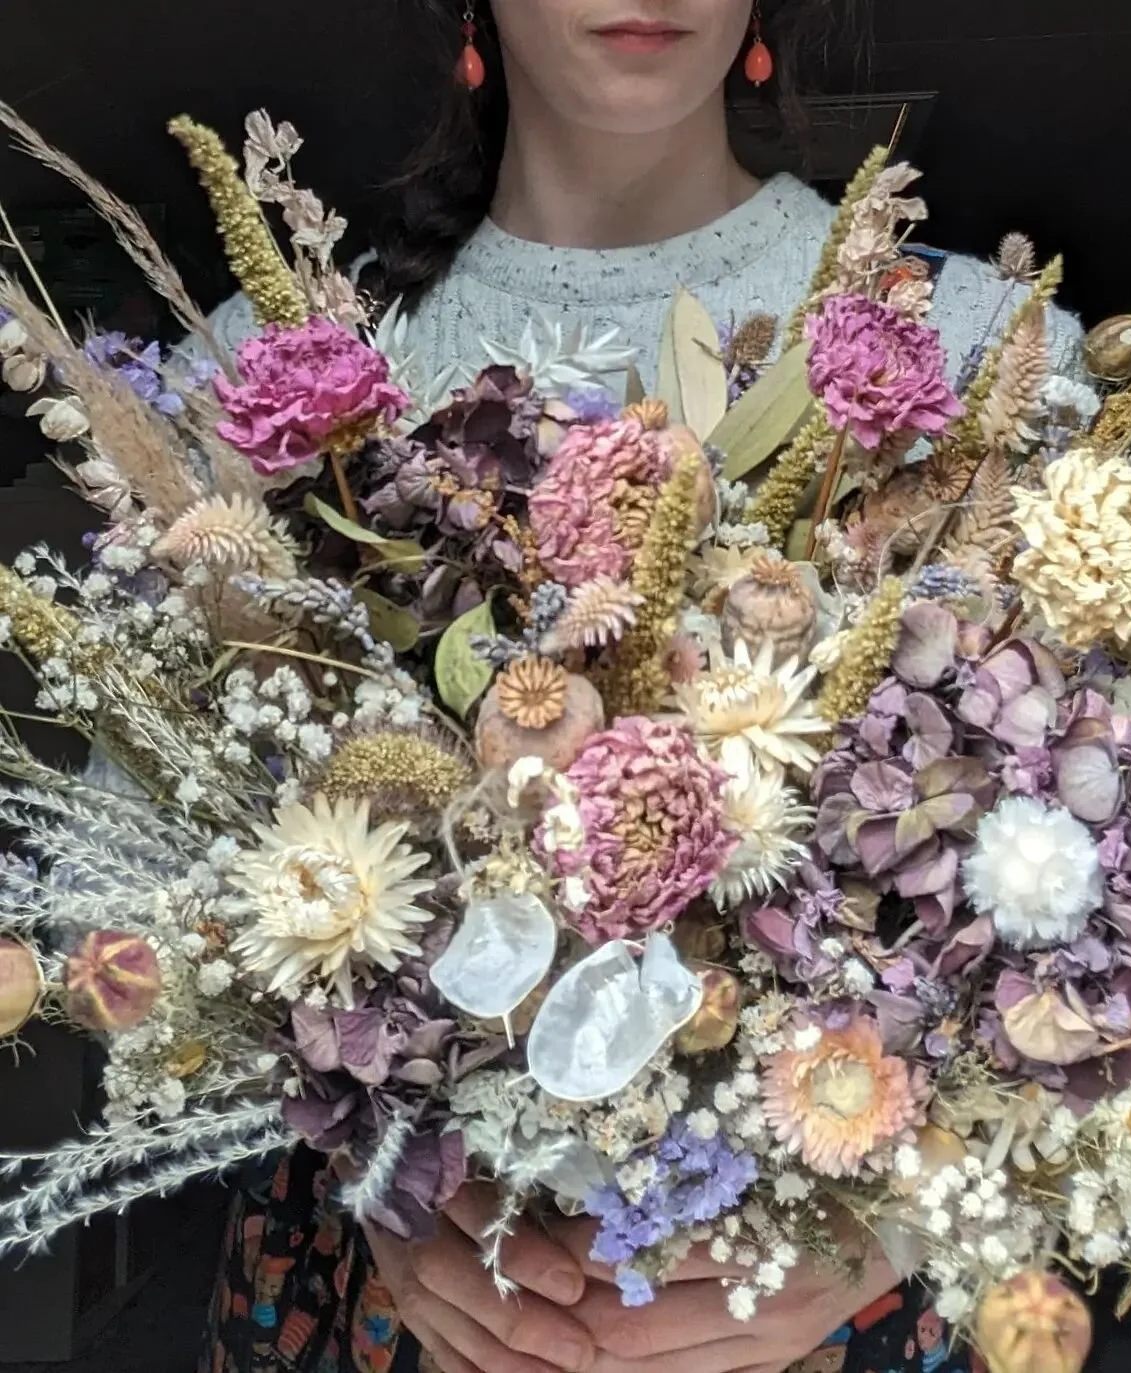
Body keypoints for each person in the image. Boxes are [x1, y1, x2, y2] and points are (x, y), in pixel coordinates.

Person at [197, 4, 1083, 1372]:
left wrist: (888, 1226)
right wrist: (392, 1192)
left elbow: (1128, 907)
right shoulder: (272, 376)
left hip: (827, 1320)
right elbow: (154, 914)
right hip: (411, 1310)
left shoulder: (978, 349)